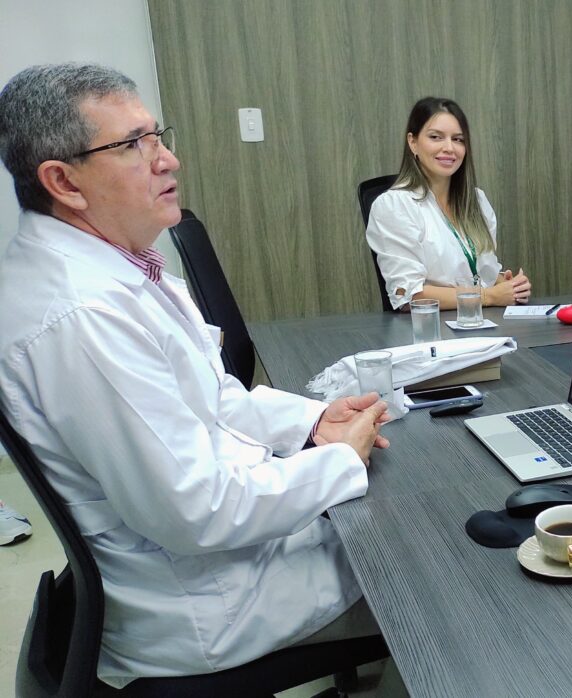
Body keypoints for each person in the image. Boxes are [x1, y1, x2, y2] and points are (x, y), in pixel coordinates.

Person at [0, 63, 392, 688]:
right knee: (432, 569)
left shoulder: (115, 268)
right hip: (213, 606)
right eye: (134, 144)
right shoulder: (84, 317)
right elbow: (198, 511)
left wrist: (312, 421)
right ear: (63, 181)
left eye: (159, 136)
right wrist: (340, 461)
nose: (169, 160)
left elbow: (210, 400)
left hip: (212, 560)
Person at [366, 97, 531, 310]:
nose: (449, 148)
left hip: (483, 324)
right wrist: (489, 296)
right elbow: (410, 295)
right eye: (436, 137)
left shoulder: (477, 200)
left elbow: (480, 272)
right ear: (413, 142)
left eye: (458, 139)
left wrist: (507, 285)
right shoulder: (393, 206)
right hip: (430, 330)